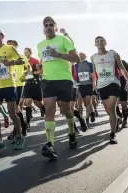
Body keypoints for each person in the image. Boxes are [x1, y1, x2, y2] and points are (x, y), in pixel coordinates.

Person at [37, 17, 81, 160]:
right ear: (43, 28)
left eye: (51, 25)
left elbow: (76, 58)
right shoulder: (40, 45)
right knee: (49, 110)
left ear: (55, 28)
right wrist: (40, 68)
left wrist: (59, 55)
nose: (48, 27)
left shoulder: (63, 40)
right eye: (46, 25)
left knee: (66, 110)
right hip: (48, 81)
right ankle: (50, 144)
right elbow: (43, 63)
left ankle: (71, 131)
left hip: (64, 80)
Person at [0, 28, 26, 152]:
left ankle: (19, 136)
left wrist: (11, 62)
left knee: (12, 113)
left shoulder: (10, 48)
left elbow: (22, 60)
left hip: (9, 85)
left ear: (2, 36)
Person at [91, 36, 128, 144]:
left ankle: (112, 134)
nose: (99, 43)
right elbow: (94, 72)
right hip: (101, 85)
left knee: (112, 108)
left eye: (101, 41)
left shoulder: (113, 54)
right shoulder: (93, 57)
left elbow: (122, 68)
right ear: (95, 44)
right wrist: (94, 84)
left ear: (105, 42)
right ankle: (117, 119)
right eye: (97, 41)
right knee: (108, 110)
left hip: (113, 83)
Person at [20, 47, 45, 130]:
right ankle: (27, 123)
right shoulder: (22, 62)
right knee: (28, 102)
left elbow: (41, 71)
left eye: (27, 52)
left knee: (38, 103)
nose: (26, 54)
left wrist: (33, 72)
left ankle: (43, 109)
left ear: (30, 53)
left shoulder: (34, 61)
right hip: (27, 84)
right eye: (24, 52)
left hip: (35, 83)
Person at [74, 52, 96, 127]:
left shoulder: (90, 64)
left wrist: (92, 76)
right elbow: (74, 75)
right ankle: (92, 113)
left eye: (82, 55)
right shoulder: (76, 66)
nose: (81, 57)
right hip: (80, 86)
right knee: (85, 103)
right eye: (79, 56)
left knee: (88, 102)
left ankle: (87, 119)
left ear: (85, 56)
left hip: (89, 85)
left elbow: (95, 74)